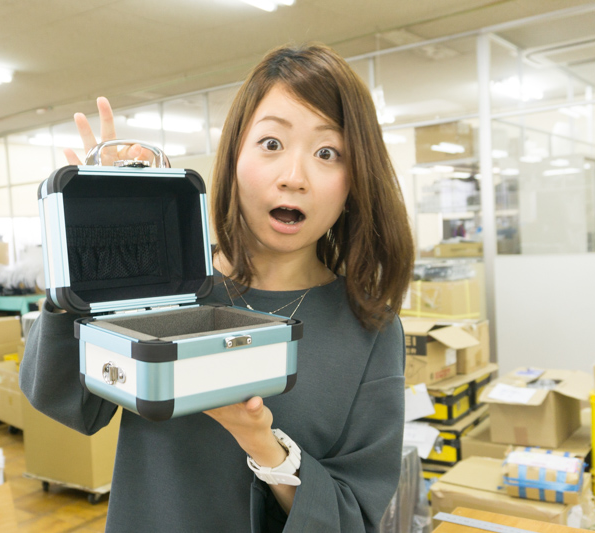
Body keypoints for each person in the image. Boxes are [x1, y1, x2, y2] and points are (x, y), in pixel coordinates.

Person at [20, 43, 413, 533]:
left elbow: (353, 516)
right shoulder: (172, 285)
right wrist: (96, 235)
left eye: (327, 153)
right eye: (272, 143)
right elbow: (64, 401)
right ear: (234, 156)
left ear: (354, 180)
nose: (294, 177)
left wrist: (263, 444)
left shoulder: (370, 329)